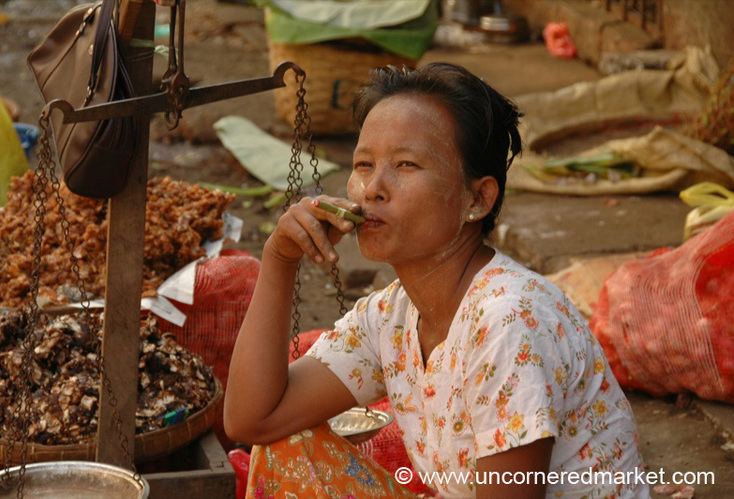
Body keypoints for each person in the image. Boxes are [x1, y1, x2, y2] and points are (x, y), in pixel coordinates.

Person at [224, 63, 648, 498]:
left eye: (406, 165)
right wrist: (279, 259)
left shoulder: (508, 321)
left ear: (477, 199)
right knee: (288, 447)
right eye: (364, 164)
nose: (372, 188)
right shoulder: (390, 315)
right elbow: (253, 420)